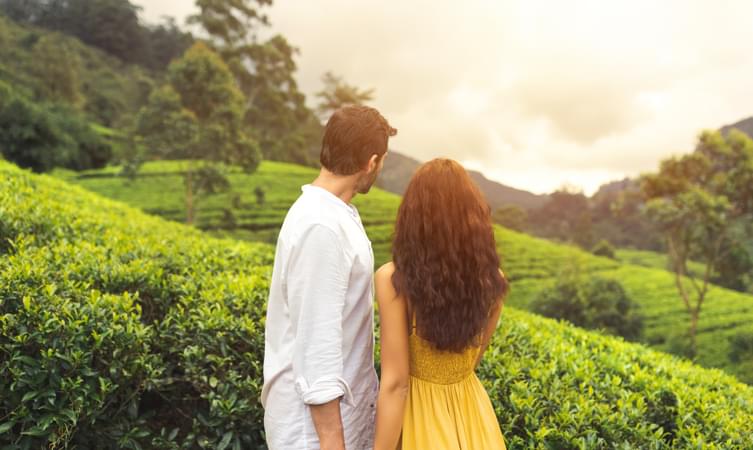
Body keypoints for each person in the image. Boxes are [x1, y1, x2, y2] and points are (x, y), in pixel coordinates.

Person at [261, 104, 397, 450]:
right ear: (371, 162)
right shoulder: (321, 225)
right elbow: (317, 341)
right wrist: (333, 441)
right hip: (316, 435)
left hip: (338, 422)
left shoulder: (336, 213)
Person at [373, 158, 509, 450]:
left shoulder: (394, 280)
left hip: (419, 421)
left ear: (413, 217)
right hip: (475, 420)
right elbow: (471, 362)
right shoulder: (494, 281)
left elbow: (396, 384)